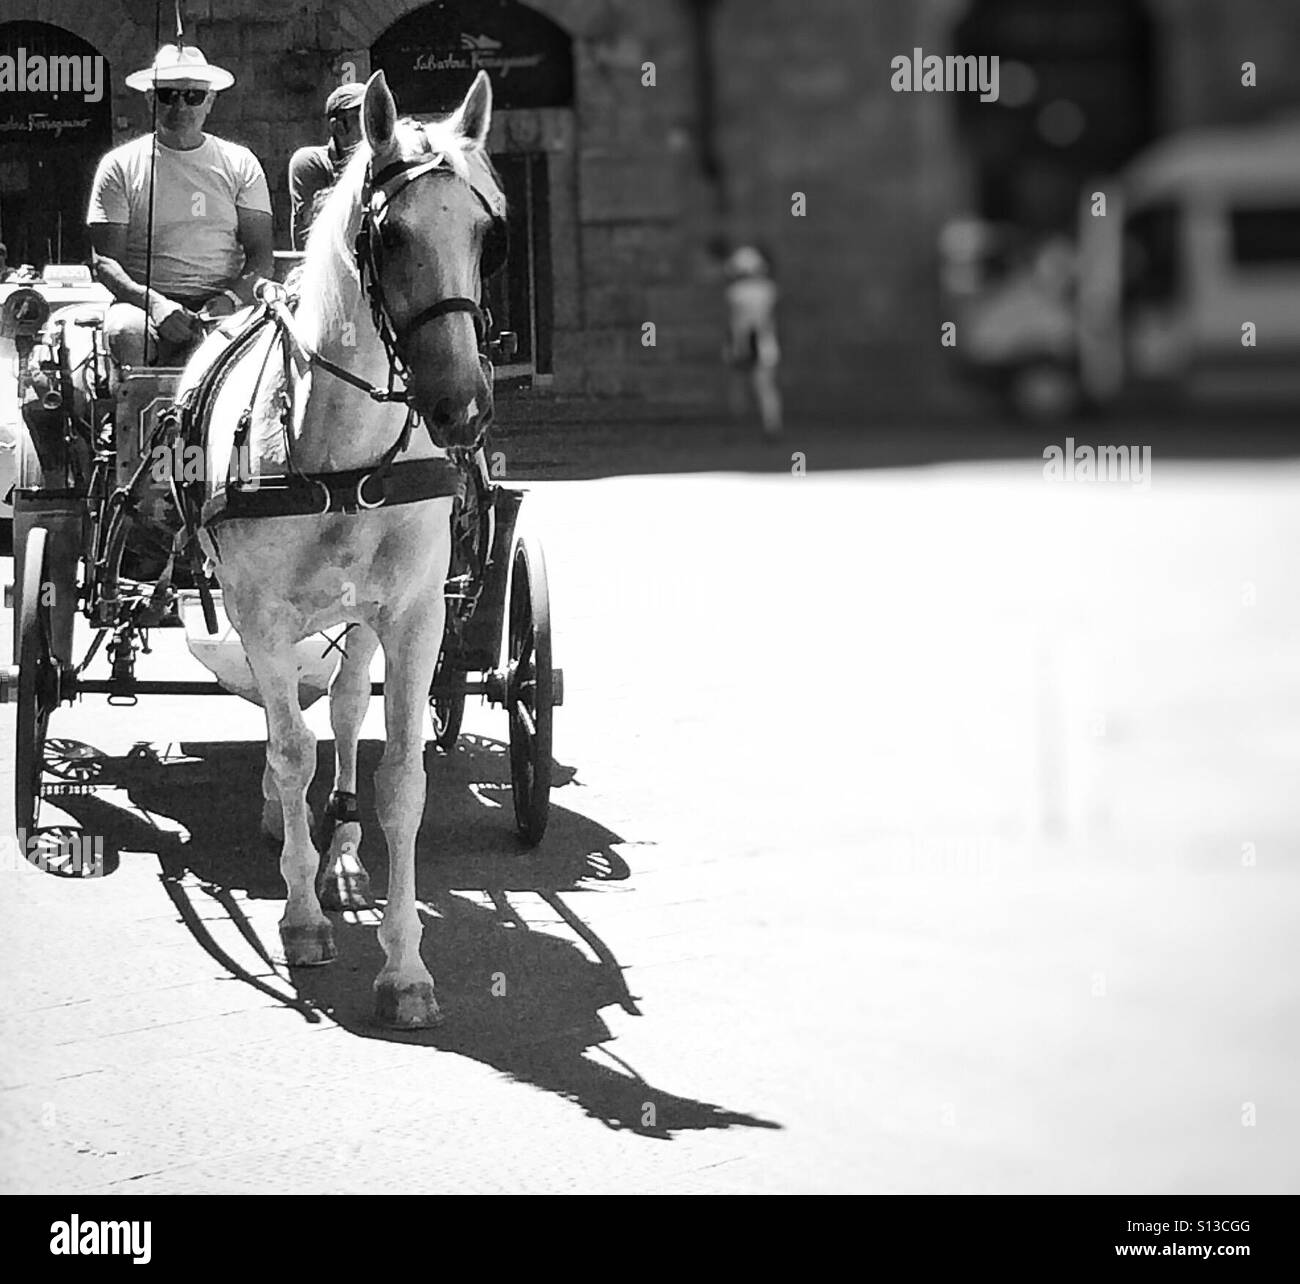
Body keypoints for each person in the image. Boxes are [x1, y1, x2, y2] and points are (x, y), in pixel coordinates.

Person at [86, 43, 274, 368]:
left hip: (226, 302)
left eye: (193, 96)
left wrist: (231, 299)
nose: (180, 105)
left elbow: (261, 257)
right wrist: (156, 305)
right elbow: (105, 262)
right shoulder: (119, 165)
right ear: (150, 99)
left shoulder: (240, 163)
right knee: (124, 334)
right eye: (168, 95)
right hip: (144, 305)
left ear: (210, 100)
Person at [288, 83, 365, 250]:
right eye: (361, 118)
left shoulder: (380, 164)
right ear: (338, 127)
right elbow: (316, 228)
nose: (372, 125)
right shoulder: (310, 162)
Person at [720, 243, 783, 437]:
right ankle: (771, 425)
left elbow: (734, 322)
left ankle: (736, 428)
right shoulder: (769, 290)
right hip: (763, 340)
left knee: (738, 387)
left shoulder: (735, 292)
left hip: (743, 340)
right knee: (765, 387)